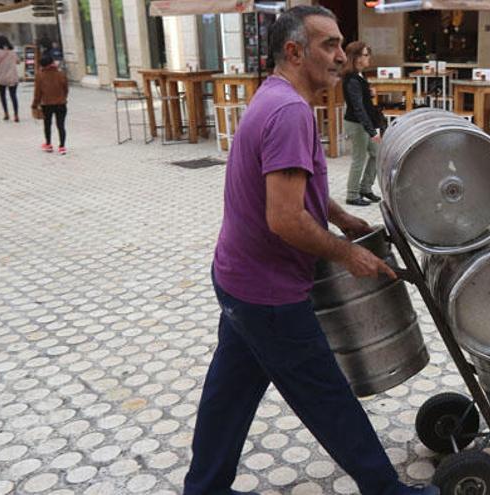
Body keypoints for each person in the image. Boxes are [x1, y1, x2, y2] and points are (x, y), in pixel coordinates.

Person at [182, 7, 438, 495]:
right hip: (269, 293)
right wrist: (348, 254)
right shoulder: (290, 111)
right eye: (328, 45)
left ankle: (205, 488)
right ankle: (385, 490)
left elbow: (291, 186)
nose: (341, 56)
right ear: (294, 51)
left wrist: (339, 216)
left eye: (341, 44)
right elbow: (284, 218)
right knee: (327, 396)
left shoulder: (275, 97)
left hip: (237, 278)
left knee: (229, 393)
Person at [342, 41, 382, 207]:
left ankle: (365, 188)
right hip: (356, 124)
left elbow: (362, 102)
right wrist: (372, 131)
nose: (368, 58)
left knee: (376, 154)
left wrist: (369, 94)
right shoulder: (352, 80)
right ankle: (352, 195)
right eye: (365, 55)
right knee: (359, 159)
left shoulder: (359, 76)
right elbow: (358, 109)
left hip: (362, 123)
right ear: (356, 58)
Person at [31, 55, 69, 155]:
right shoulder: (61, 74)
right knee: (61, 125)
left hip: (46, 104)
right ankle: (62, 146)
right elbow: (66, 88)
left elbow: (37, 92)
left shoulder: (40, 75)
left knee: (47, 124)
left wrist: (35, 104)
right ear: (52, 62)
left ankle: (48, 144)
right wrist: (63, 98)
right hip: (61, 103)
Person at [0, 35, 20, 122]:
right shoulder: (12, 51)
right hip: (12, 76)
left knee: (3, 95)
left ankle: (6, 113)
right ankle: (16, 114)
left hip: (1, 77)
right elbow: (18, 61)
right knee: (13, 96)